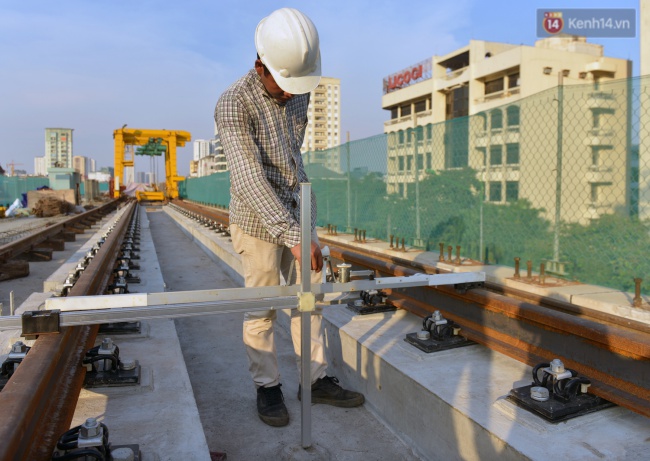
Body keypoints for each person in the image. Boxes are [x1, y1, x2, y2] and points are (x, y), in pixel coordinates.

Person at [214, 7, 364, 427]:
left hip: (297, 214)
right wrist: (288, 234)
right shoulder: (232, 104)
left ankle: (314, 379)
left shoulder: (298, 87)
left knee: (308, 301)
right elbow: (248, 177)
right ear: (260, 65)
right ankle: (267, 387)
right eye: (282, 85)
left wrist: (305, 226)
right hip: (257, 220)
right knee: (261, 308)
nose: (289, 94)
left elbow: (291, 158)